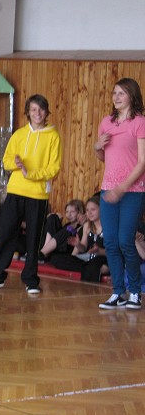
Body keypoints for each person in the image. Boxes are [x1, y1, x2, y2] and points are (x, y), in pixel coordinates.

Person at [0, 94, 62, 294]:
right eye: (33, 110)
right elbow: (6, 161)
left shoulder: (53, 136)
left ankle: (30, 279)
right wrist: (17, 164)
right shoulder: (19, 135)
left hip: (38, 195)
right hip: (15, 192)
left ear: (46, 112)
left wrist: (31, 174)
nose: (37, 113)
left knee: (33, 240)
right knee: (5, 235)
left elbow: (53, 168)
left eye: (40, 109)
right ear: (27, 113)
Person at [95, 78, 145, 310]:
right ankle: (118, 292)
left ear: (132, 97)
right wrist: (97, 148)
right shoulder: (107, 122)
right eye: (114, 93)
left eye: (121, 93)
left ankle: (135, 291)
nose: (116, 97)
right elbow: (105, 157)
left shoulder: (140, 123)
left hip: (132, 191)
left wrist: (121, 188)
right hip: (108, 189)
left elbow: (142, 162)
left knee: (126, 241)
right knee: (111, 242)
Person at [49, 195, 108, 282]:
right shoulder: (87, 225)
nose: (89, 213)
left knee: (96, 262)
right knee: (55, 258)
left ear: (101, 209)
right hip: (88, 258)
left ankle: (103, 269)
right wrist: (78, 244)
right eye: (87, 210)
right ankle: (96, 269)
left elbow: (114, 251)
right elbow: (83, 247)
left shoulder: (108, 226)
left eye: (93, 210)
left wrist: (100, 251)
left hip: (104, 257)